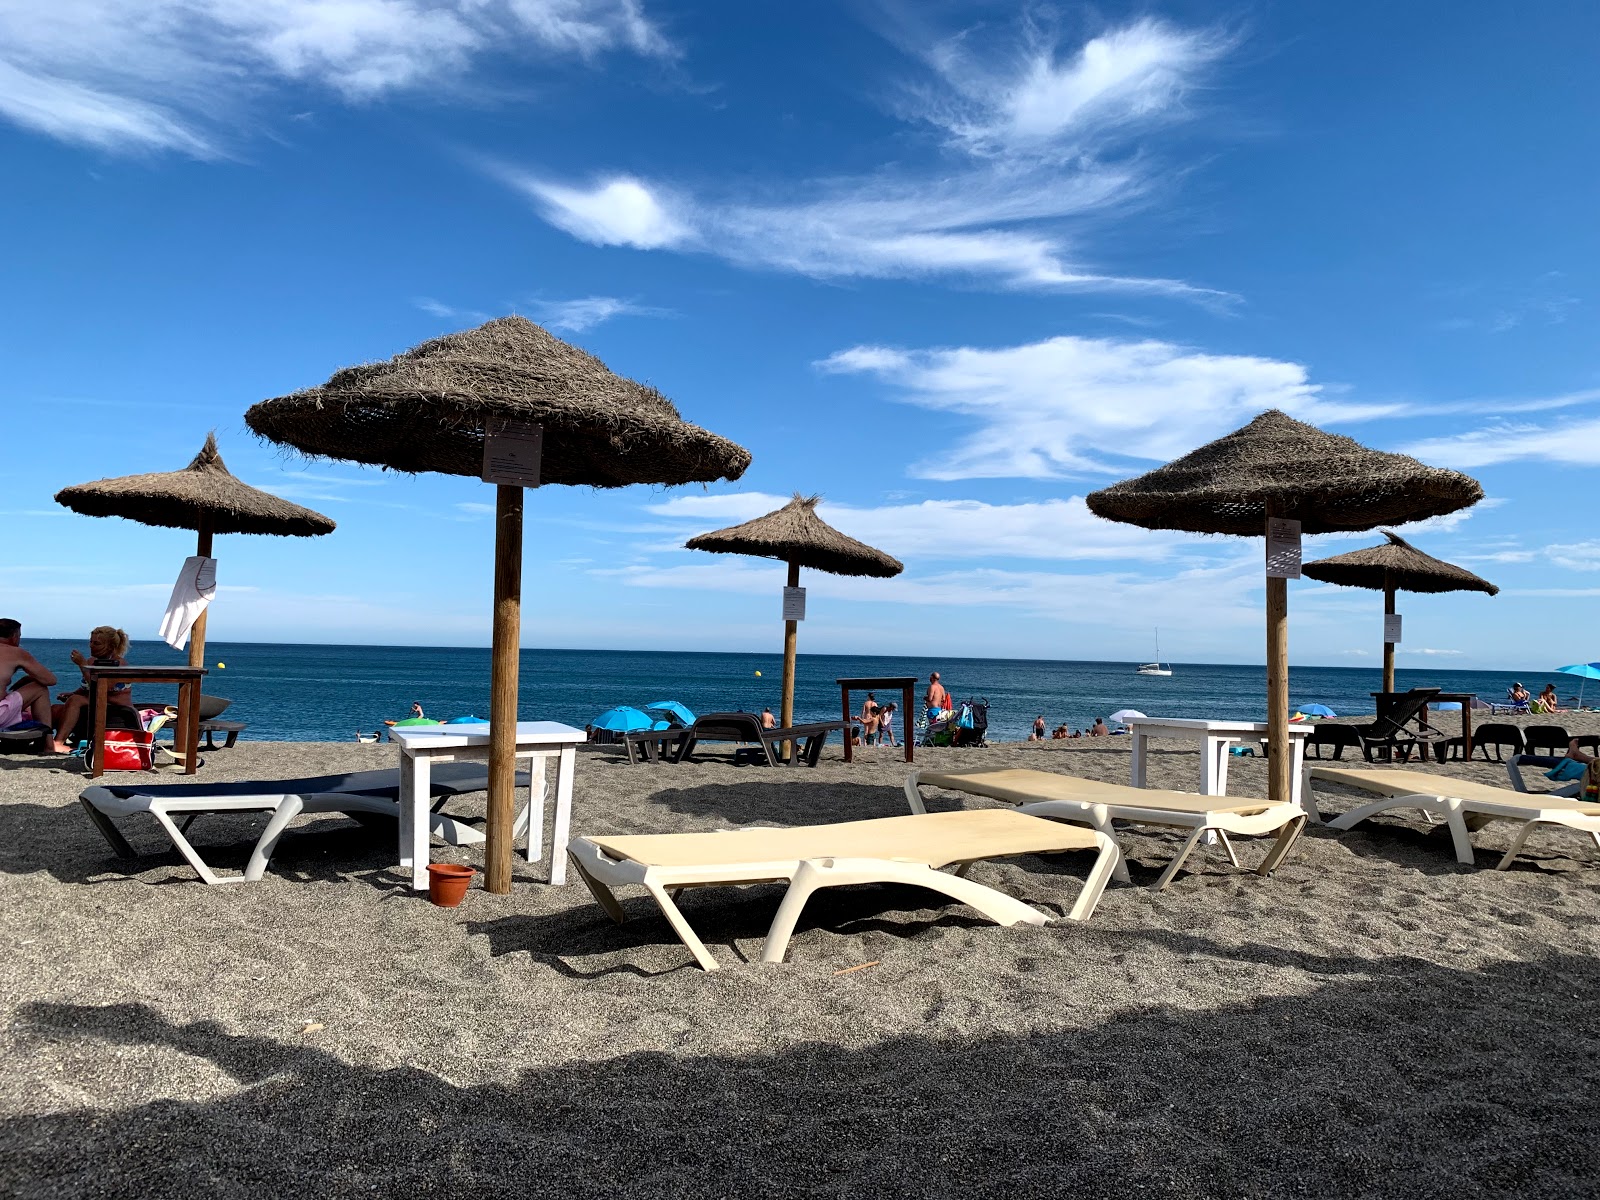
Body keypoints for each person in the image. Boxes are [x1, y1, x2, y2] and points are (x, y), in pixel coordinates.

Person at [51, 625, 133, 753]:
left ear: (110, 646)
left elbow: (102, 688)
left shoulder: (120, 664)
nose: (91, 646)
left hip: (114, 707)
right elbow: (87, 687)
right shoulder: (92, 661)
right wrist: (72, 694)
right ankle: (44, 741)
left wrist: (82, 665)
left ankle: (58, 742)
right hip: (95, 705)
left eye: (97, 643)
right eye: (91, 642)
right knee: (55, 709)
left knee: (76, 701)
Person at [0, 618, 58, 729]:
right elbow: (50, 680)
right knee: (40, 688)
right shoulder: (17, 652)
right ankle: (49, 744)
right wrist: (30, 678)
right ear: (14, 636)